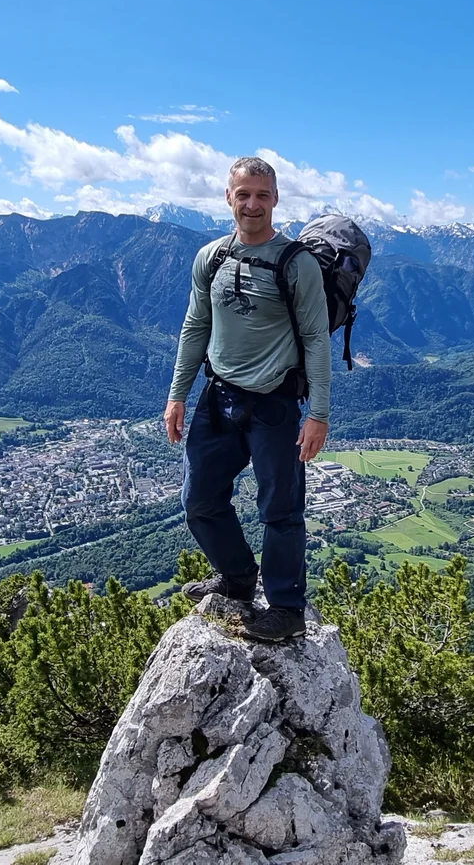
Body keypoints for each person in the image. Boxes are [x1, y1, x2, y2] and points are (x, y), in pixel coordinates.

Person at [163, 156, 332, 641]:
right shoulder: (211, 257)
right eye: (244, 194)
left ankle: (285, 609)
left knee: (280, 509)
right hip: (218, 397)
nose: (252, 204)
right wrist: (178, 395)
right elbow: (196, 325)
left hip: (276, 403)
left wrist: (317, 413)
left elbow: (317, 338)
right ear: (229, 197)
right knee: (199, 499)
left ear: (276, 199)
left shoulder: (295, 264)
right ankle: (238, 577)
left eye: (262, 194)